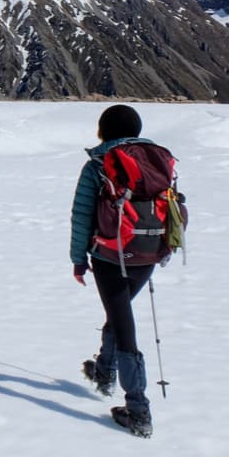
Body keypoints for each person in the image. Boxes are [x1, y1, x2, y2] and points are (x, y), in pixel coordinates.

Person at [69, 104, 161, 438]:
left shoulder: (97, 165)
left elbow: (81, 217)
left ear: (102, 130)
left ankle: (138, 408)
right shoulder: (155, 160)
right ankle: (104, 370)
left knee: (123, 323)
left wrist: (79, 259)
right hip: (148, 253)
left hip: (109, 256)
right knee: (118, 310)